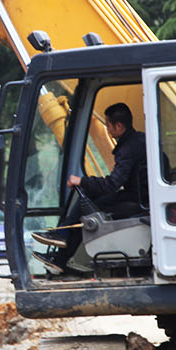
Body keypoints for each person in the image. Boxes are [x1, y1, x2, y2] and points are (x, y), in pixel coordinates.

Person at [33, 102, 149, 271]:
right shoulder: (138, 140)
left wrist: (82, 181)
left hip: (136, 200)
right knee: (87, 201)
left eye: (108, 125)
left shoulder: (128, 149)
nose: (108, 130)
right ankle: (61, 250)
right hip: (140, 197)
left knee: (87, 208)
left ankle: (61, 245)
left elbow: (112, 184)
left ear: (119, 126)